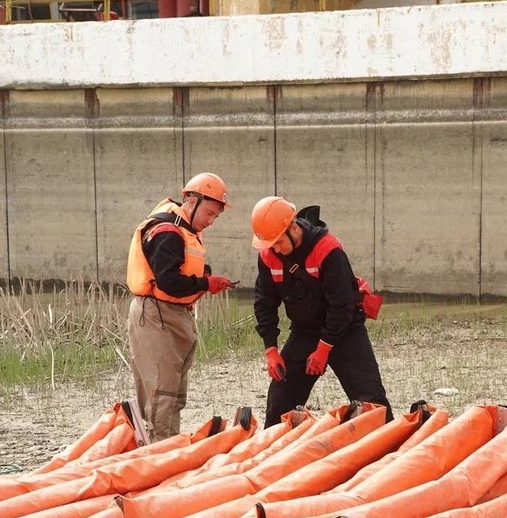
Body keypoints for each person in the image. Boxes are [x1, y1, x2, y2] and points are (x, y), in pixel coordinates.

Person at [250, 196, 392, 426]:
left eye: (278, 243)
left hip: (346, 331)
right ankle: (274, 447)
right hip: (304, 331)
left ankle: (389, 448)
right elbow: (264, 303)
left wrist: (324, 349)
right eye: (270, 245)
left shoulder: (327, 248)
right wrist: (271, 350)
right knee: (280, 396)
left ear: (293, 229)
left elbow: (343, 305)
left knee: (371, 399)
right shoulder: (268, 256)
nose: (275, 249)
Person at [126, 172, 235, 441]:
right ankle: (159, 450)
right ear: (191, 201)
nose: (210, 221)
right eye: (209, 213)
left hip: (174, 316)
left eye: (215, 217)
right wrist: (205, 285)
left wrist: (205, 278)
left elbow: (181, 268)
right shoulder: (168, 231)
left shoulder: (183, 230)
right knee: (162, 390)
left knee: (173, 389)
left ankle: (169, 443)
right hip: (156, 315)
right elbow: (168, 281)